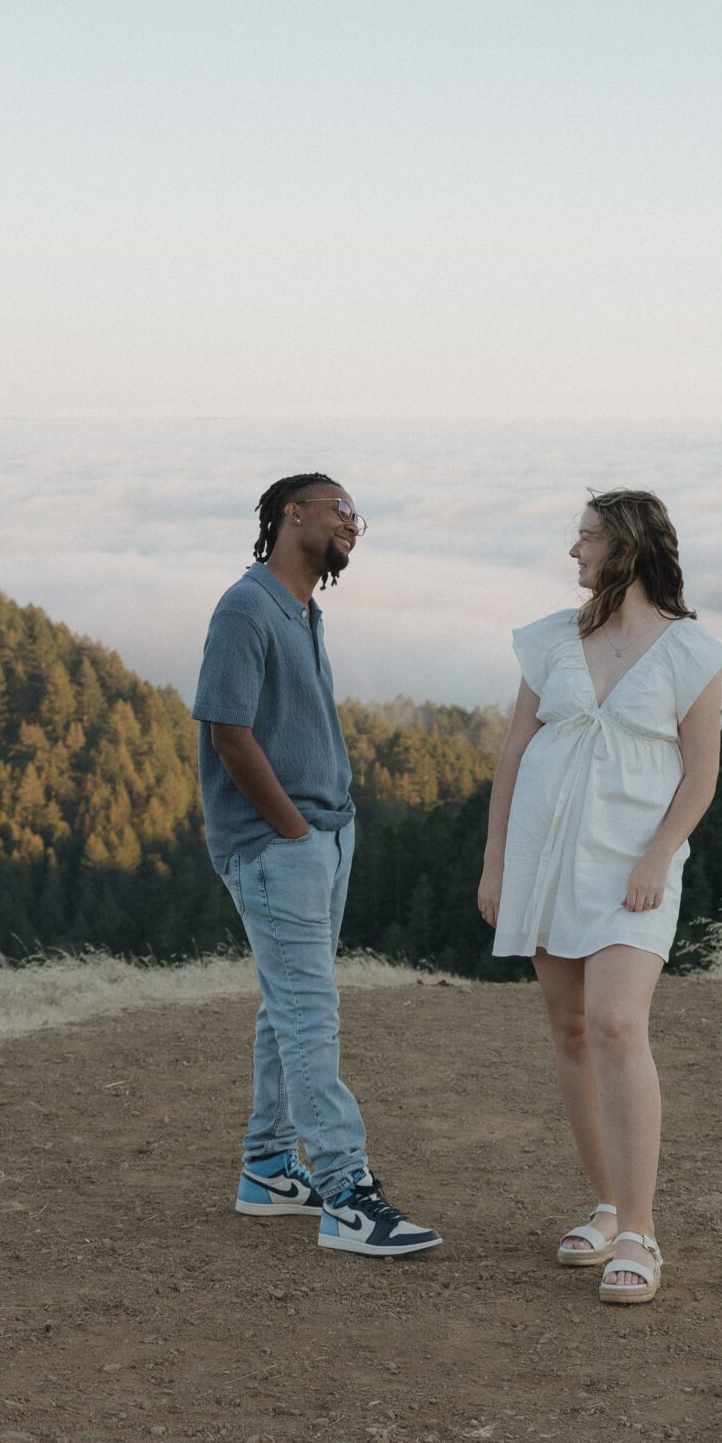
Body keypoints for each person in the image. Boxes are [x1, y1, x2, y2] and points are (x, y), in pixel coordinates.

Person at [478, 489, 722, 1306]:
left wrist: (659, 854)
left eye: (585, 538)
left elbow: (701, 774)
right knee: (572, 1029)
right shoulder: (550, 639)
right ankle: (604, 1203)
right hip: (546, 859)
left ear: (623, 547)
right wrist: (494, 864)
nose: (574, 552)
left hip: (634, 863)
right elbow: (514, 757)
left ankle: (639, 1231)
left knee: (620, 1021)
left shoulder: (689, 654)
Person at [195, 472, 440, 1258]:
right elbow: (228, 729)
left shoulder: (302, 609)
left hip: (323, 836)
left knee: (286, 1004)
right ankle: (344, 1195)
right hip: (281, 846)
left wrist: (321, 828)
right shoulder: (245, 607)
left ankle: (267, 1168)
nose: (351, 524)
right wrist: (292, 830)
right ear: (291, 514)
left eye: (354, 515)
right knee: (309, 1015)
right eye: (340, 510)